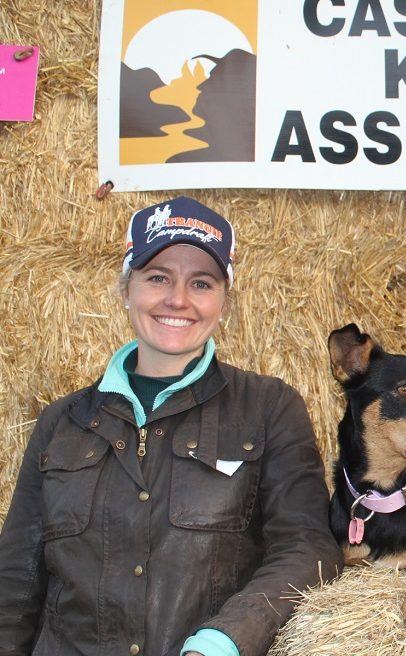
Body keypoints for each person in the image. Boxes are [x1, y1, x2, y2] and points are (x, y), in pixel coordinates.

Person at [0, 197, 342, 656]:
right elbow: (16, 583)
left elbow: (307, 549)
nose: (178, 299)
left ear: (224, 300)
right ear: (126, 288)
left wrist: (225, 640)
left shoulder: (269, 407)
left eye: (201, 283)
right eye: (158, 277)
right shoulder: (60, 422)